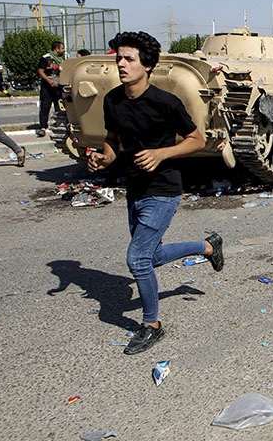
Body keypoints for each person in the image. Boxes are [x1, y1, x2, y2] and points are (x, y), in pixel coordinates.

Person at [87, 31, 224, 355]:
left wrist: (161, 154)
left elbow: (196, 140)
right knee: (154, 256)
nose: (121, 64)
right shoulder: (113, 100)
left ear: (147, 65)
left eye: (128, 59)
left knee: (137, 258)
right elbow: (113, 140)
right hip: (134, 187)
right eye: (118, 58)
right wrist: (102, 157)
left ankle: (151, 325)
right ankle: (208, 246)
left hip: (164, 188)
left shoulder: (166, 103)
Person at [36, 41, 65, 137]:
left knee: (60, 105)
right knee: (45, 106)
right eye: (62, 48)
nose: (63, 50)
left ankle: (59, 124)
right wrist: (49, 81)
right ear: (56, 49)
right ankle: (43, 127)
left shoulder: (61, 59)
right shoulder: (46, 58)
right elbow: (40, 71)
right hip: (48, 86)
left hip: (59, 86)